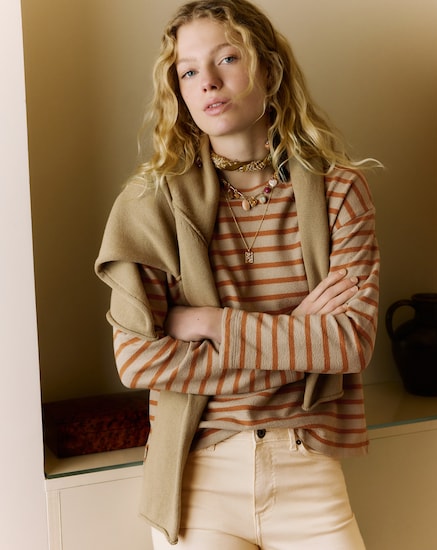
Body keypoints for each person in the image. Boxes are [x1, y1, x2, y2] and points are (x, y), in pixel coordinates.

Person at [95, 1, 380, 548]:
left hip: (308, 466)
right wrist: (300, 336)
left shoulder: (340, 190)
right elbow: (137, 360)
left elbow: (350, 343)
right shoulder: (149, 203)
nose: (208, 81)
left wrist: (212, 323)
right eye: (188, 71)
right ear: (178, 92)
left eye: (227, 58)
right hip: (196, 473)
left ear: (268, 70)